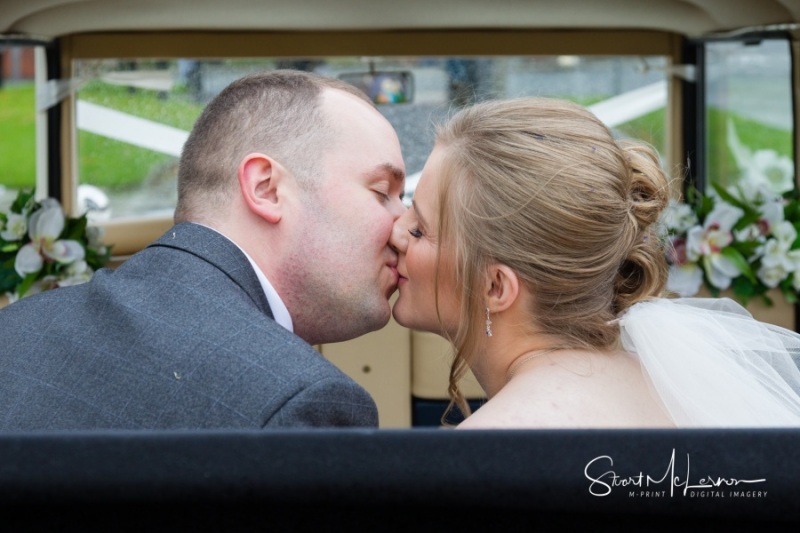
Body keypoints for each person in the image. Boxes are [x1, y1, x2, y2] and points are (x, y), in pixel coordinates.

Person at [0, 70, 406, 429]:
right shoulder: (298, 403)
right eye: (382, 192)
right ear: (266, 188)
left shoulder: (13, 332)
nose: (403, 226)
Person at [390, 97, 800, 428]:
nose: (396, 231)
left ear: (495, 287)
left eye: (420, 229)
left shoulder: (484, 452)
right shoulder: (682, 393)